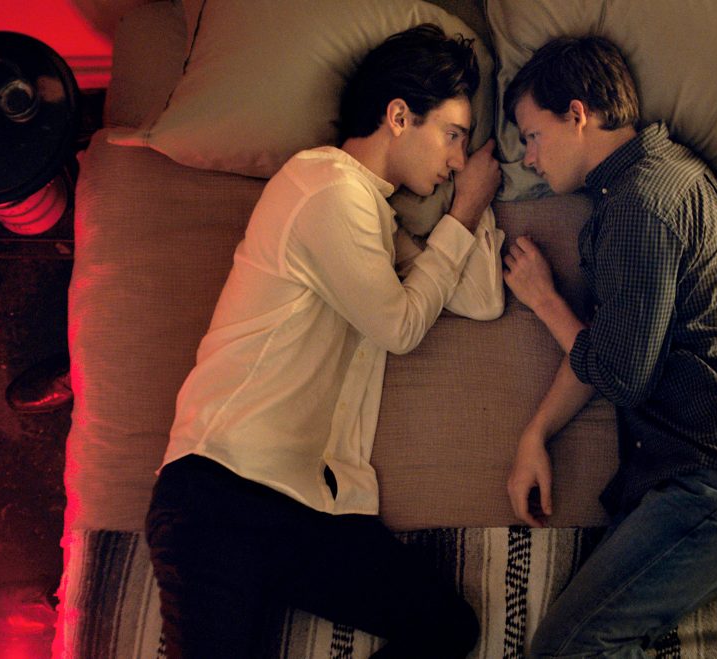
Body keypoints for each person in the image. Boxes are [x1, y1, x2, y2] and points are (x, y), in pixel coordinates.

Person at [145, 24, 503, 659]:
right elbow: (400, 327)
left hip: (309, 509)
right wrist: (465, 210)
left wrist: (471, 200)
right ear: (399, 116)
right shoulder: (324, 187)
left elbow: (480, 299)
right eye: (452, 135)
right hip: (221, 492)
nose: (456, 159)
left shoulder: (376, 219)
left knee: (445, 625)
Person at [501, 36, 717, 657]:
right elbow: (609, 346)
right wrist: (536, 434)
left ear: (577, 114)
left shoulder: (641, 205)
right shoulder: (656, 181)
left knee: (567, 650)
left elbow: (619, 374)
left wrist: (544, 300)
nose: (528, 159)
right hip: (712, 480)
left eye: (532, 136)